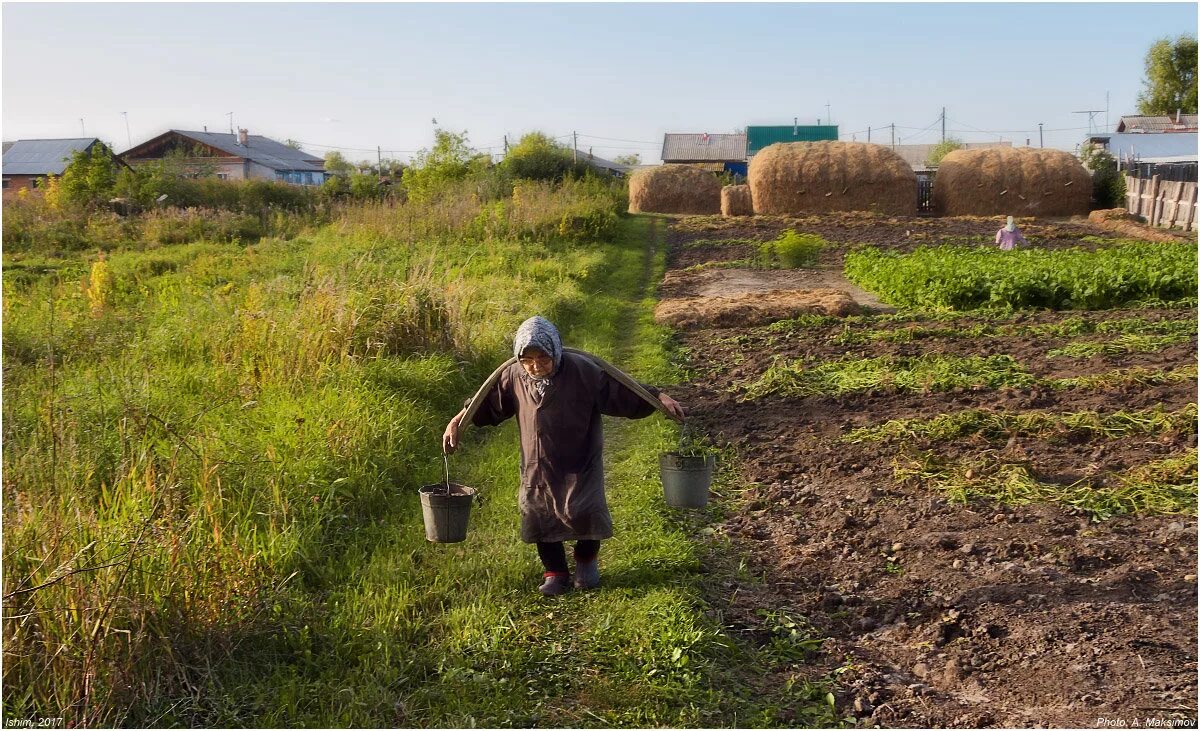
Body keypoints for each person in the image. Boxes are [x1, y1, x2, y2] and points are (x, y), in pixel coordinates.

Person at [442, 316, 686, 596]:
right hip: (538, 462)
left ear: (555, 351)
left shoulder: (583, 370)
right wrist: (458, 421)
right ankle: (555, 571)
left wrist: (659, 397)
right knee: (539, 511)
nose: (536, 366)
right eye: (528, 359)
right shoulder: (513, 375)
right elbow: (487, 401)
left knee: (586, 511)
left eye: (543, 358)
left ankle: (586, 561)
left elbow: (621, 389)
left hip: (581, 457)